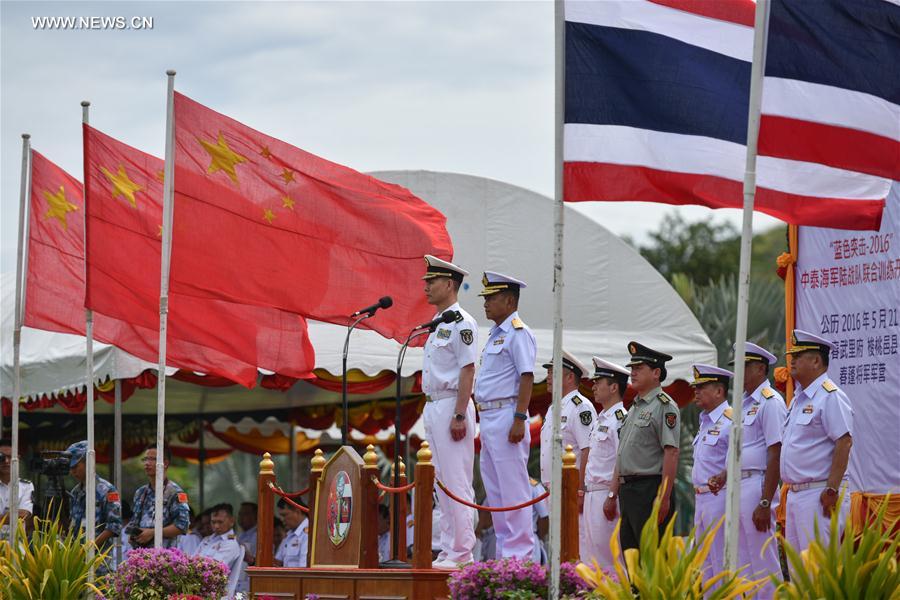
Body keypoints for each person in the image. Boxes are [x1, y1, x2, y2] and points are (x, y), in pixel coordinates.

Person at [708, 342, 786, 596]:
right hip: (737, 484)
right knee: (741, 559)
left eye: (745, 366)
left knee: (762, 557)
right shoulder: (740, 404)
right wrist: (724, 475)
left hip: (757, 484)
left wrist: (765, 501)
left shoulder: (770, 402)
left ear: (761, 369)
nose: (739, 371)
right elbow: (739, 450)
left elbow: (775, 453)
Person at [474, 271, 537, 559]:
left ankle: (520, 555)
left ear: (509, 300)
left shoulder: (518, 332)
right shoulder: (495, 335)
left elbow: (527, 376)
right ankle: (504, 555)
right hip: (487, 417)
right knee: (495, 491)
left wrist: (520, 418)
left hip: (506, 414)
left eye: (492, 297)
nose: (486, 303)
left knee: (513, 489)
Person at [420, 255, 478, 568]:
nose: (426, 287)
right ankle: (448, 548)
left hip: (452, 403)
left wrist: (458, 414)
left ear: (449, 284)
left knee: (456, 479)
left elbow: (468, 370)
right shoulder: (439, 323)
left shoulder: (462, 323)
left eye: (431, 282)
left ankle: (462, 551)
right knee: (440, 481)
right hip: (434, 404)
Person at [781, 329, 853, 553]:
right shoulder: (798, 399)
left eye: (798, 356)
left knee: (817, 571)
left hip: (819, 494)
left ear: (815, 361)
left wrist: (831, 490)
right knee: (798, 574)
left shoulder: (830, 396)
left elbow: (844, 442)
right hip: (796, 495)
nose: (792, 361)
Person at [612, 342, 680, 553]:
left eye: (639, 368)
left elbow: (671, 452)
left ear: (656, 372)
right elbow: (622, 452)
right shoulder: (634, 407)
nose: (632, 373)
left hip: (649, 489)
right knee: (630, 553)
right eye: (632, 369)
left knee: (651, 556)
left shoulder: (664, 405)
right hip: (628, 491)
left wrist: (664, 496)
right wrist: (614, 492)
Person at [538, 349, 595, 559]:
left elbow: (588, 449)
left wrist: (580, 490)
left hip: (570, 488)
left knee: (575, 544)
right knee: (558, 545)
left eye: (554, 372)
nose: (548, 378)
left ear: (570, 377)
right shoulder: (555, 407)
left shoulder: (581, 407)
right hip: (553, 489)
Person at [583, 357, 629, 569]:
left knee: (610, 558)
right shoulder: (602, 418)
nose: (593, 386)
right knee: (592, 556)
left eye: (598, 382)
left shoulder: (620, 418)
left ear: (613, 387)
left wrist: (612, 495)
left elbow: (622, 459)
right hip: (592, 493)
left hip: (607, 494)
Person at [689, 364, 734, 581]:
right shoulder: (705, 421)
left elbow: (736, 462)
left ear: (719, 391)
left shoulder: (730, 420)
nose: (696, 391)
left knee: (720, 563)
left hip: (719, 497)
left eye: (702, 387)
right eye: (695, 387)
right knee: (704, 564)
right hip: (701, 497)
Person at [66, 440, 123, 574]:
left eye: (76, 466)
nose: (73, 471)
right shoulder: (75, 492)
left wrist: (89, 548)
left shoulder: (107, 490)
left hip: (100, 561)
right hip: (77, 561)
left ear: (88, 463)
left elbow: (114, 526)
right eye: (70, 468)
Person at [127, 444, 190, 549]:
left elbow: (182, 526)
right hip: (140, 555)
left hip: (164, 557)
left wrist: (153, 533)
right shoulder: (141, 492)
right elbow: (134, 522)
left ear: (165, 463)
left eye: (152, 459)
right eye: (146, 459)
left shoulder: (175, 492)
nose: (147, 463)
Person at [0, 438, 34, 538]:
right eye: (1, 457)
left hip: (16, 546)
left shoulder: (26, 486)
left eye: (10, 457)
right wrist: (12, 515)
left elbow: (24, 515)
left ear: (17, 458)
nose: (6, 461)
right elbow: (17, 515)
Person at [197, 503, 242, 572]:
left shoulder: (230, 543)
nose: (216, 526)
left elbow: (214, 569)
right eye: (213, 522)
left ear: (232, 521)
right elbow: (192, 559)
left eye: (220, 522)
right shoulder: (207, 539)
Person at [275, 497, 308, 568]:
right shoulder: (289, 534)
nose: (282, 519)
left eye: (284, 515)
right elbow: (278, 562)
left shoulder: (308, 534)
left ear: (297, 512)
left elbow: (304, 569)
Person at [236, 501, 258, 593]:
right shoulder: (240, 536)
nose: (241, 517)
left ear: (255, 516)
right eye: (240, 514)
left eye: (245, 514)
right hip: (238, 582)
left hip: (251, 582)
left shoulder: (259, 536)